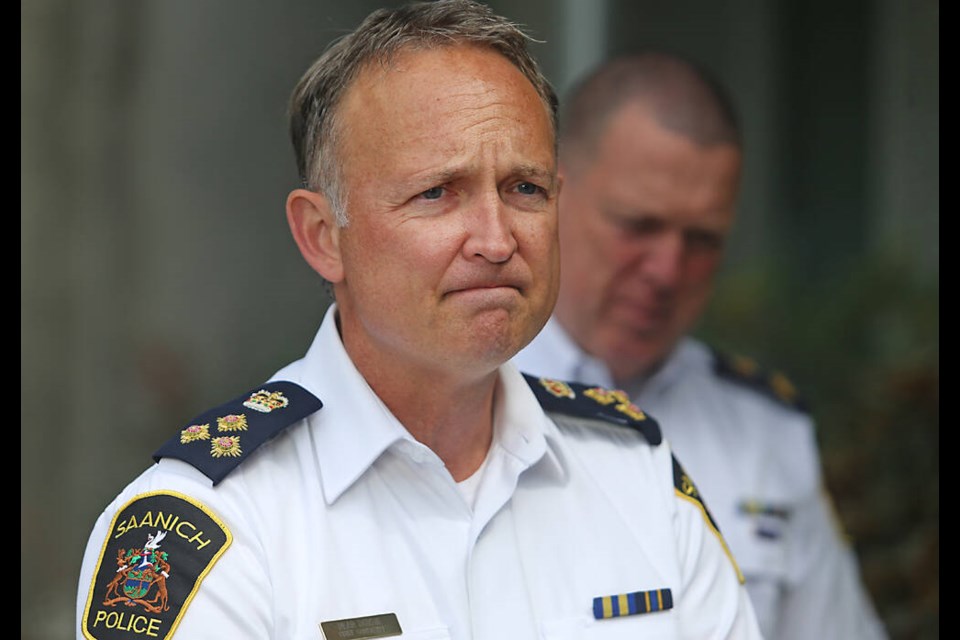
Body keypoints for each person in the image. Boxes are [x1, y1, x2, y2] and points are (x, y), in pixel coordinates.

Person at [75, 3, 761, 639]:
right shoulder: (210, 529)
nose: (496, 239)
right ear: (322, 235)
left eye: (525, 188)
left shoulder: (634, 479)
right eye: (437, 193)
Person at [513, 52, 887, 639]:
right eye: (639, 224)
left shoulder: (762, 432)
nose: (667, 269)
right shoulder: (457, 399)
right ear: (547, 194)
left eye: (703, 239)